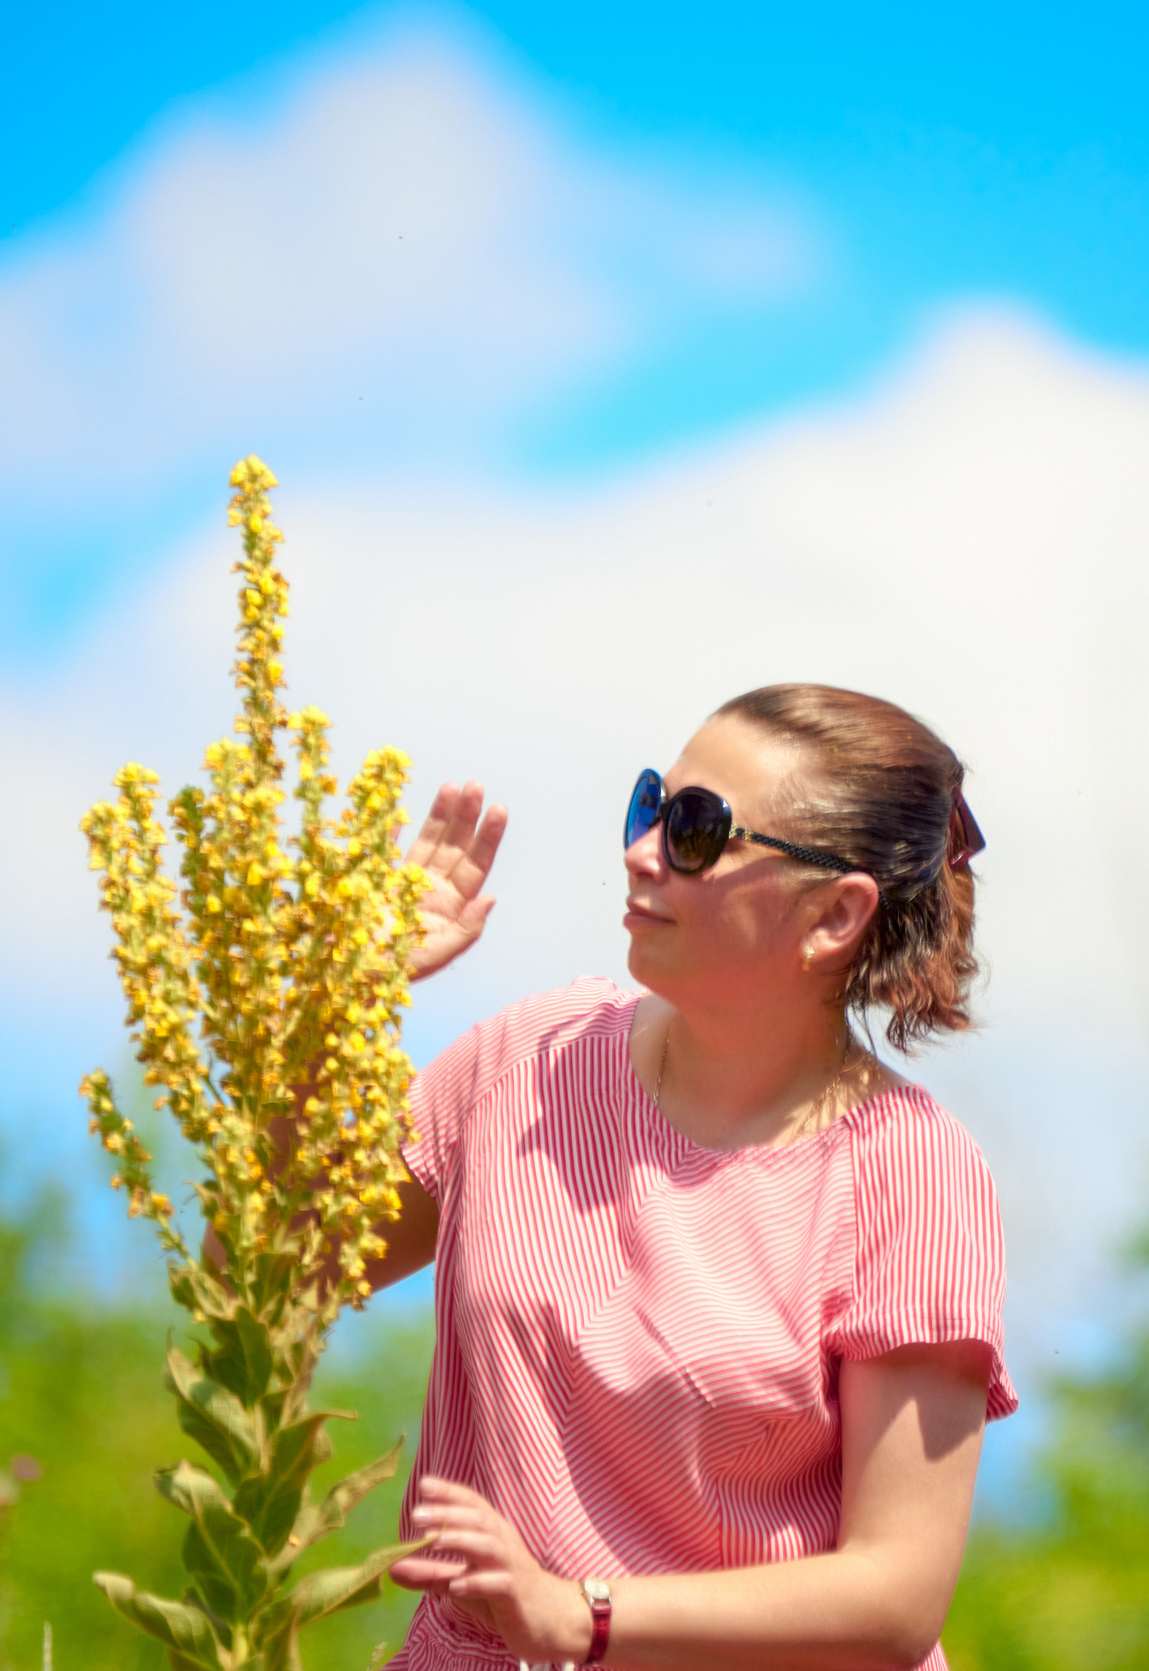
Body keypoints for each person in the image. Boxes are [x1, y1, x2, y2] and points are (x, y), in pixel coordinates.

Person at [369, 684, 1014, 1671]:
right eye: (648, 806)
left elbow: (895, 1595)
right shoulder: (527, 1060)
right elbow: (268, 1268)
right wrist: (344, 990)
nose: (640, 852)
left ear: (834, 914)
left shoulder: (912, 1176)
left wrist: (585, 1614)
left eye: (697, 829)